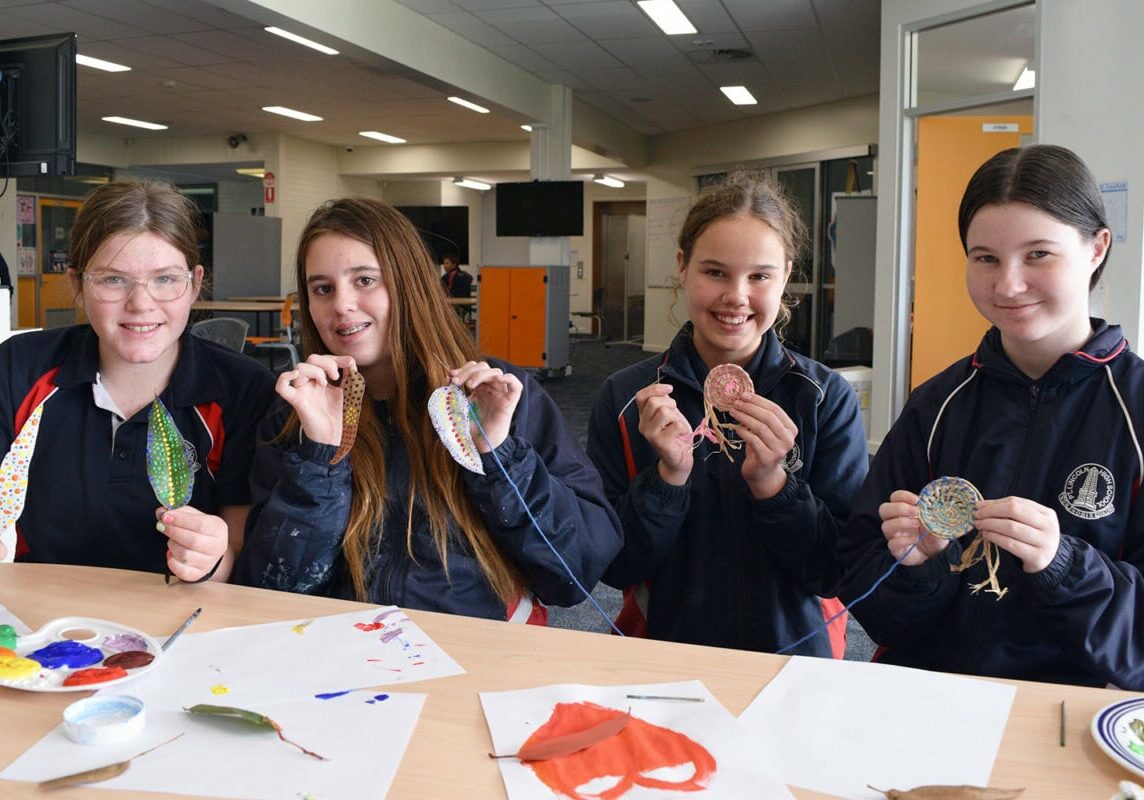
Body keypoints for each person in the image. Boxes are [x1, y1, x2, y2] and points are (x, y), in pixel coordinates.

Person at [833, 144, 1144, 688]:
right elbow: (871, 600)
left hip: (1069, 718)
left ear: (1096, 248)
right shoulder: (936, 404)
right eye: (986, 258)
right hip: (927, 697)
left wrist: (1065, 565)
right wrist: (918, 564)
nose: (1008, 284)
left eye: (1039, 255)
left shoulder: (1134, 412)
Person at [234, 197, 622, 623]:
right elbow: (273, 588)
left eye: (364, 280)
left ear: (410, 284)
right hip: (341, 659)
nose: (341, 304)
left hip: (474, 653)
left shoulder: (498, 396)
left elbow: (576, 575)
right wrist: (320, 458)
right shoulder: (296, 413)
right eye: (322, 288)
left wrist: (497, 457)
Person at [587, 172, 868, 656]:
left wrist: (775, 485)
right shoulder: (628, 397)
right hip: (663, 653)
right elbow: (615, 567)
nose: (736, 296)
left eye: (759, 276)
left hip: (795, 660)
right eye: (715, 272)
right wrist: (667, 480)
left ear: (785, 275)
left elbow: (835, 569)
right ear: (682, 266)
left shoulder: (823, 398)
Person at [0, 181, 276, 580]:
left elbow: (239, 549)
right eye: (113, 279)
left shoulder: (243, 389)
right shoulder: (19, 368)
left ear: (195, 283)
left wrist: (212, 559)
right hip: (37, 624)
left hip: (183, 621)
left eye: (165, 279)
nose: (141, 303)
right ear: (78, 286)